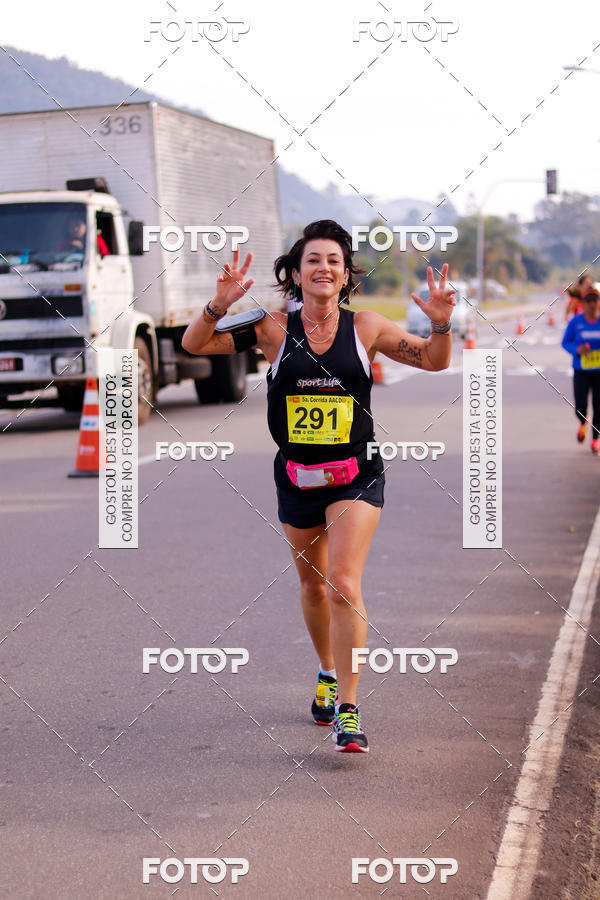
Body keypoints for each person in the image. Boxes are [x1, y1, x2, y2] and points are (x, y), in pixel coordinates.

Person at [182, 220, 456, 753]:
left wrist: (441, 325)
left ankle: (348, 710)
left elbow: (434, 360)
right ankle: (327, 672)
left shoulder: (367, 327)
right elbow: (195, 345)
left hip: (357, 472)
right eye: (313, 260)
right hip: (298, 477)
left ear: (345, 272)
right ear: (296, 272)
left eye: (333, 259)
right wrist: (217, 305)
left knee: (342, 584)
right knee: (311, 587)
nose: (323, 268)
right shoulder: (270, 330)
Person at [562, 289, 600, 453]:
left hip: (599, 372)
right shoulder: (575, 322)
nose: (592, 304)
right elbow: (565, 343)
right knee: (580, 406)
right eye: (588, 301)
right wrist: (577, 349)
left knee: (599, 407)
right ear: (583, 304)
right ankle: (583, 421)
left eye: (595, 300)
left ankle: (595, 440)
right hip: (581, 371)